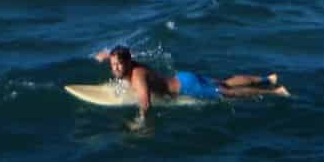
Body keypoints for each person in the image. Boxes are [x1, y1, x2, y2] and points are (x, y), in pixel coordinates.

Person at [93, 47, 285, 113]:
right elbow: (125, 54)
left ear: (127, 63)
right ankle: (268, 78)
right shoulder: (132, 64)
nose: (115, 68)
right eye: (113, 64)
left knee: (228, 93)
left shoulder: (137, 77)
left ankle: (274, 91)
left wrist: (141, 122)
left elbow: (145, 102)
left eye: (118, 64)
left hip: (187, 87)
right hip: (183, 76)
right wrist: (106, 56)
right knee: (223, 82)